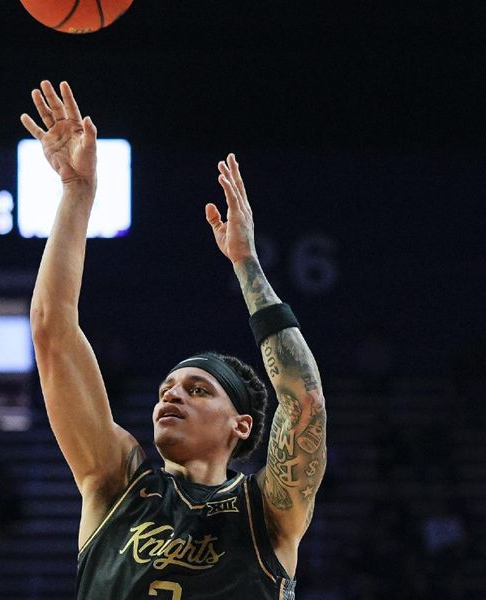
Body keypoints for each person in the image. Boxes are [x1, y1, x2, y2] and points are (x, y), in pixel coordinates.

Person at [21, 81, 327, 599]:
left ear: (241, 425)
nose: (172, 393)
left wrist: (247, 265)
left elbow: (304, 401)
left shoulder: (269, 512)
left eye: (198, 389)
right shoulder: (115, 483)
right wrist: (77, 193)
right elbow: (52, 329)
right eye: (169, 386)